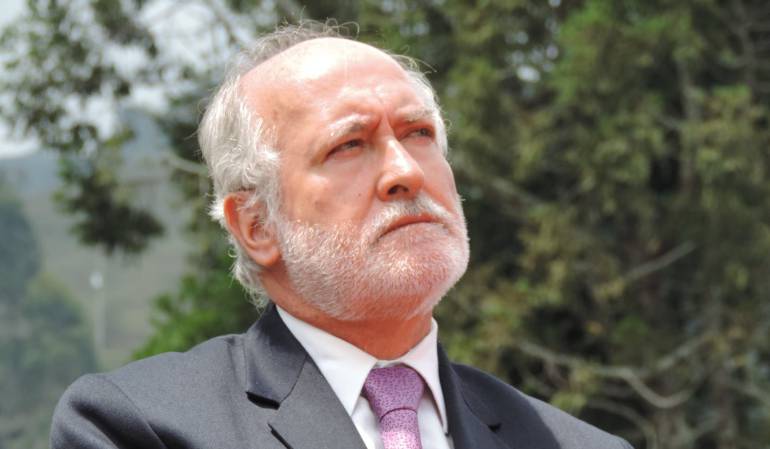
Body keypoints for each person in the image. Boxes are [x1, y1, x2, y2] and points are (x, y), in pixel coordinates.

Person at [51, 23, 633, 449]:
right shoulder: (138, 426)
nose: (405, 172)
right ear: (256, 225)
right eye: (349, 145)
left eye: (419, 133)